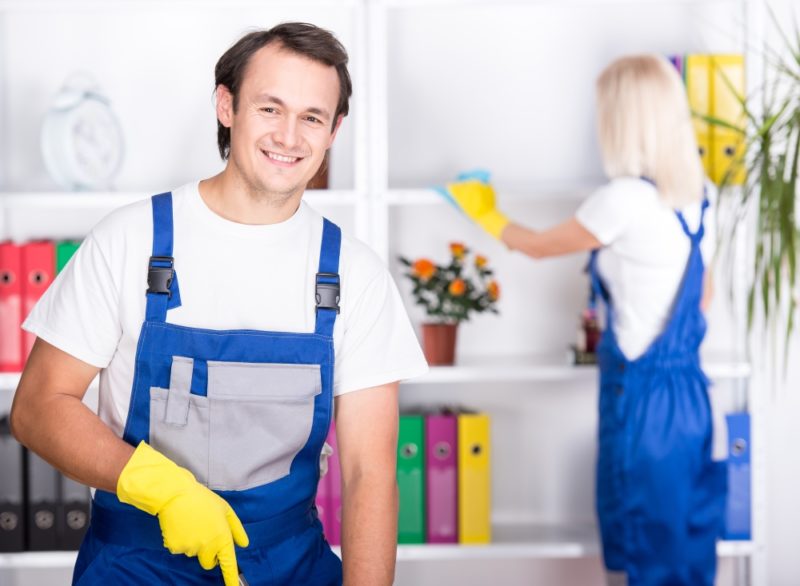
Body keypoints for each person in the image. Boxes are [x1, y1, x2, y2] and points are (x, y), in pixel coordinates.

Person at [10, 22, 427, 586]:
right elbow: (38, 407)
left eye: (312, 117)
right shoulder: (131, 240)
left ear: (334, 132)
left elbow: (369, 471)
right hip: (136, 566)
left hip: (289, 567)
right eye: (270, 108)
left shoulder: (356, 275)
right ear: (226, 106)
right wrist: (164, 488)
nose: (289, 136)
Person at [440, 54, 727, 586]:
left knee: (646, 555)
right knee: (685, 550)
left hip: (645, 405)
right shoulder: (698, 197)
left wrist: (481, 210)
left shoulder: (623, 201)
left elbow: (538, 246)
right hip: (693, 399)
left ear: (622, 120)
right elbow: (703, 296)